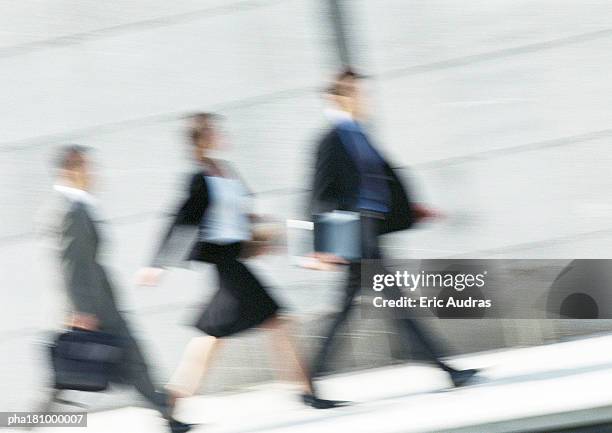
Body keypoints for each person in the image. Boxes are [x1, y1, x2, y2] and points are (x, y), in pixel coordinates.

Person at [136, 113, 342, 410]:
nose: (220, 134)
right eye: (213, 131)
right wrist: (156, 264)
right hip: (224, 262)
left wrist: (262, 232)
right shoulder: (200, 177)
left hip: (234, 258)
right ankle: (305, 390)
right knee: (276, 322)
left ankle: (172, 401)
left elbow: (243, 211)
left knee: (215, 336)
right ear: (202, 139)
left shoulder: (225, 170)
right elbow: (182, 220)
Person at [307, 69, 478, 405]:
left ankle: (309, 382)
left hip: (369, 229)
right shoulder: (331, 140)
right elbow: (320, 193)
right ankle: (444, 367)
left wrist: (413, 210)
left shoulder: (357, 134)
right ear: (340, 98)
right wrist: (323, 246)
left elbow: (379, 180)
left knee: (352, 309)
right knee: (394, 301)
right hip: (353, 233)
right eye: (359, 94)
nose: (365, 100)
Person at [43, 145, 192, 433]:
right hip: (93, 307)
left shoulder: (78, 206)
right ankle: (28, 423)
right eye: (87, 167)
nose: (93, 173)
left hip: (100, 301)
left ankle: (166, 413)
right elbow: (70, 264)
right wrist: (82, 310)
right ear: (70, 170)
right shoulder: (70, 210)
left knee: (132, 359)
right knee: (67, 379)